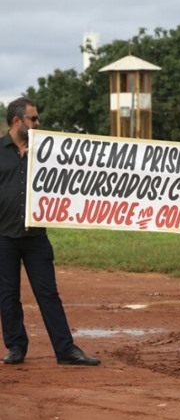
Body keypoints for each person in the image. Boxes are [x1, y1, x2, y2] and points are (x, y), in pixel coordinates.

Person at [0, 98, 100, 366]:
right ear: (16, 121)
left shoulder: (46, 152)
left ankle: (65, 349)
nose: (37, 123)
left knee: (48, 293)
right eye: (33, 119)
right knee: (7, 295)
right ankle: (16, 347)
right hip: (4, 236)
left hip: (36, 237)